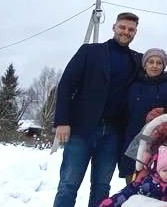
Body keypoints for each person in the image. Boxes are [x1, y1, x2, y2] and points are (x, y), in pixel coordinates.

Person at [53, 12, 143, 207]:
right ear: (114, 27)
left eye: (131, 30)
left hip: (113, 133)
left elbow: (157, 76)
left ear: (135, 32)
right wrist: (62, 121)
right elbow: (67, 84)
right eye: (122, 27)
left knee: (102, 187)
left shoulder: (138, 60)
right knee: (68, 184)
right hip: (81, 129)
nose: (126, 32)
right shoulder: (90, 51)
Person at [119, 48, 167, 180]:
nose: (155, 66)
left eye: (159, 63)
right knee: (133, 185)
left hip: (161, 145)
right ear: (144, 65)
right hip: (133, 144)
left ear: (164, 66)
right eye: (151, 62)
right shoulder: (133, 86)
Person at [100, 145, 167, 207]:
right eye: (165, 170)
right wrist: (110, 203)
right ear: (158, 170)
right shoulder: (149, 181)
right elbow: (129, 191)